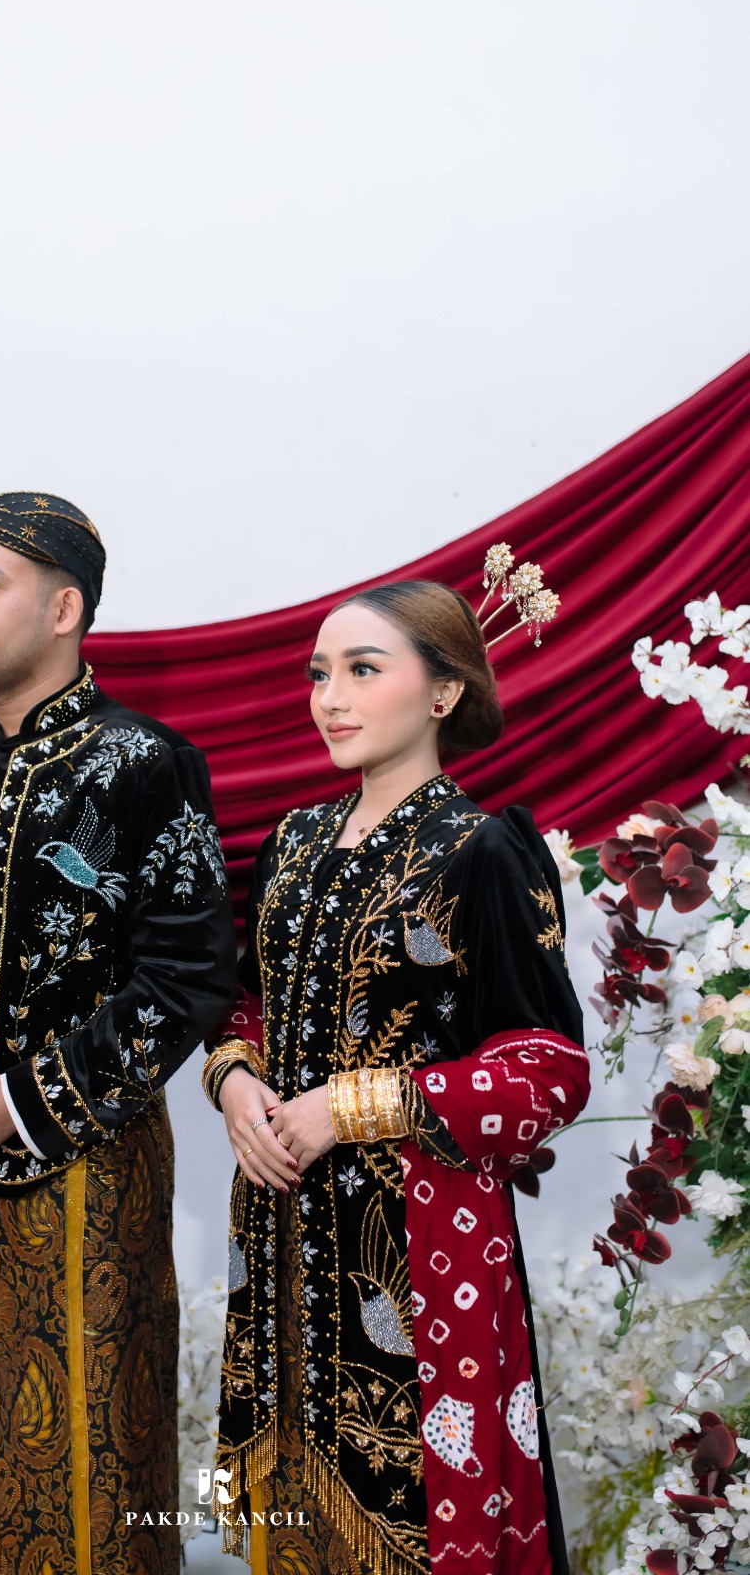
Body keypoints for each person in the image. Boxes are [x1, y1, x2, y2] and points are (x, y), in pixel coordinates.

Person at [0, 491, 237, 1575]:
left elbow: (191, 979)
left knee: (92, 1468)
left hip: (83, 1175)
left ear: (65, 609)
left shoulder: (142, 762)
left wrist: (20, 1101)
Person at [203, 575, 589, 1575]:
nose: (330, 698)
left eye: (362, 670)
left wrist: (356, 1106)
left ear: (443, 691)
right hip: (280, 1246)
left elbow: (548, 1070)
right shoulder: (290, 844)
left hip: (420, 1251)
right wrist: (236, 1083)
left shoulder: (482, 850)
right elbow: (246, 1004)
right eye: (318, 673)